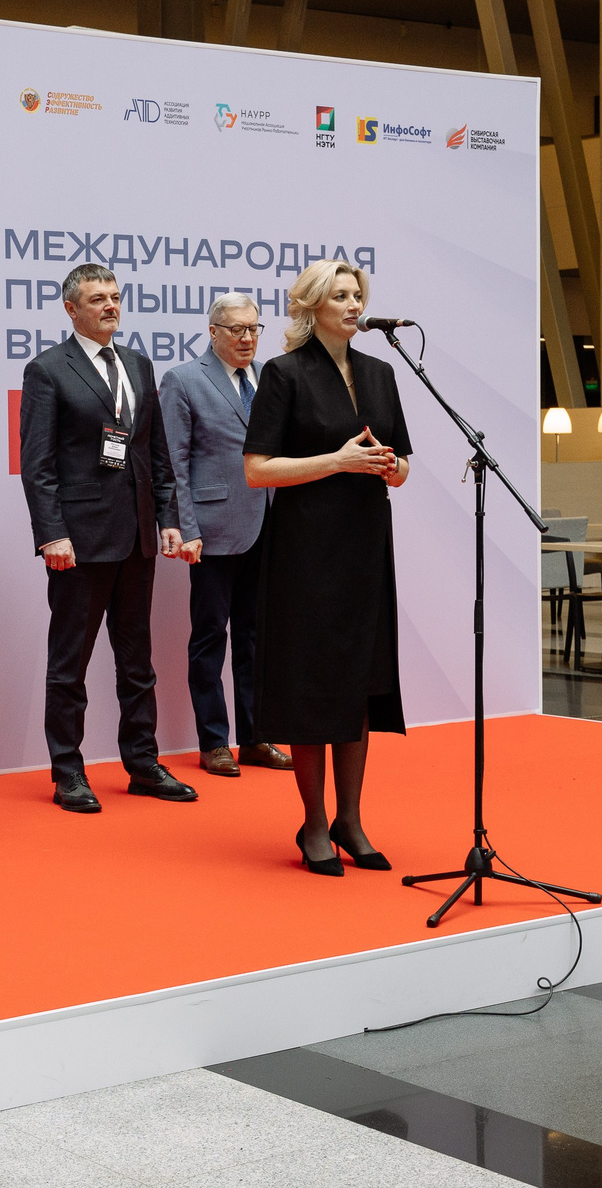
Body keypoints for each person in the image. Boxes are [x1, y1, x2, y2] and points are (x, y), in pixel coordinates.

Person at [244, 259, 410, 877]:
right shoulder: (284, 373)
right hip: (306, 552)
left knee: (358, 680)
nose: (352, 304)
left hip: (366, 546)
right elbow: (257, 470)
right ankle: (314, 822)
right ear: (312, 306)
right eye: (339, 295)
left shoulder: (381, 372)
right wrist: (336, 461)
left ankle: (351, 820)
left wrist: (390, 467)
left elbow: (402, 463)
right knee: (312, 683)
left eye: (356, 294)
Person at [19, 263, 196, 813]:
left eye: (115, 296)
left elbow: (154, 450)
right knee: (69, 664)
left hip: (138, 536)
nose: (111, 306)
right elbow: (37, 465)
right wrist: (52, 534)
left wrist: (168, 518)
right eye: (98, 298)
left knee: (137, 661)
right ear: (71, 309)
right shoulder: (48, 369)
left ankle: (142, 763)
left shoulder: (139, 365)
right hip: (79, 540)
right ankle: (68, 772)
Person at [161, 293, 292, 778]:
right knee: (209, 637)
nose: (247, 338)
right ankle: (214, 741)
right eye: (236, 329)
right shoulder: (183, 380)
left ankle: (256, 738)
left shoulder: (270, 377)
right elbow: (174, 462)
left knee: (256, 640)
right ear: (213, 331)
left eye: (254, 328)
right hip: (212, 531)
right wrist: (186, 528)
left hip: (268, 525)